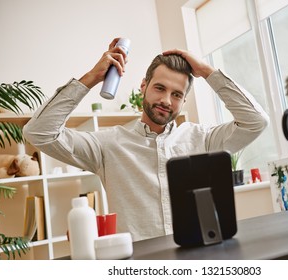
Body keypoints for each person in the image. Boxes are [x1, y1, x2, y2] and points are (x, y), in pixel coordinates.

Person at [23, 38, 269, 241]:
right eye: (159, 88)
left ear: (184, 101)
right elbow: (38, 132)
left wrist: (207, 71)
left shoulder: (204, 140)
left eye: (176, 94)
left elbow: (256, 121)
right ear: (143, 86)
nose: (166, 101)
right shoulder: (107, 145)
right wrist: (91, 78)